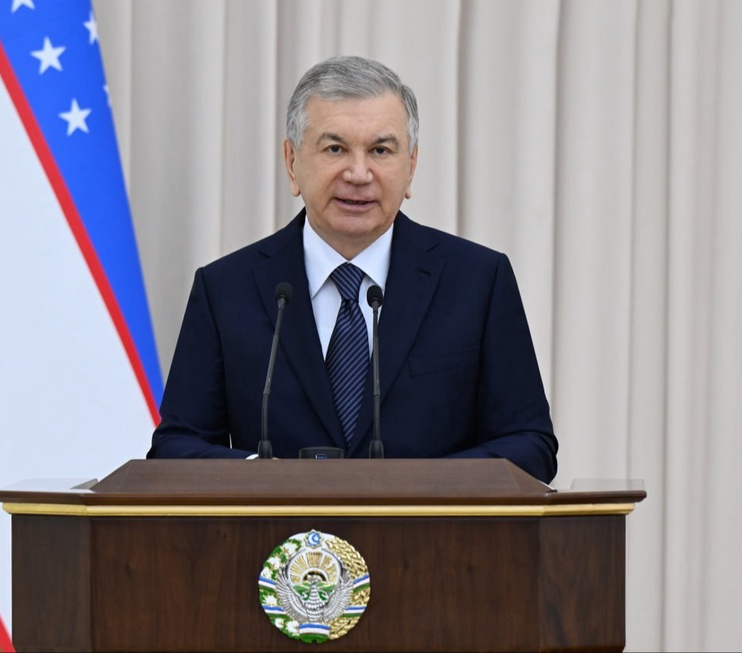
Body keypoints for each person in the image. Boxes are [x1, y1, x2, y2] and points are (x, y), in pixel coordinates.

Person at [147, 55, 558, 483]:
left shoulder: (478, 282)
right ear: (292, 162)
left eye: (380, 150)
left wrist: (420, 488)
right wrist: (264, 479)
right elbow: (176, 447)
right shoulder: (226, 289)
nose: (359, 174)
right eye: (335, 149)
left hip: (428, 526)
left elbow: (531, 445)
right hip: (277, 527)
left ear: (411, 166)